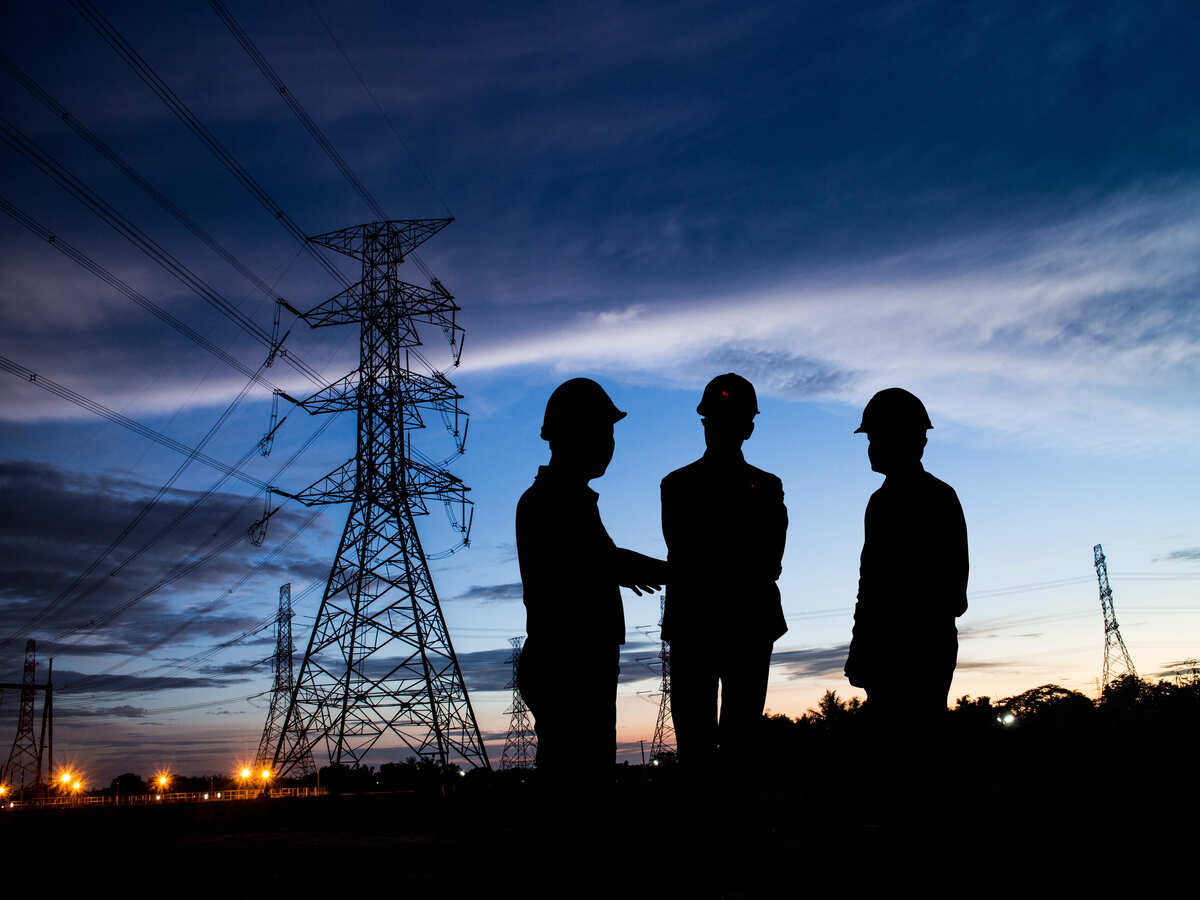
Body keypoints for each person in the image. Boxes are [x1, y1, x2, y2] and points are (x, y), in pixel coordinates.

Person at [515, 377, 669, 784]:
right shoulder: (552, 502)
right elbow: (596, 562)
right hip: (569, 659)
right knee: (578, 777)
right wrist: (670, 571)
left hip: (575, 656)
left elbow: (601, 562)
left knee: (582, 771)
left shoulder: (568, 499)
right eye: (602, 432)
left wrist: (633, 569)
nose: (609, 444)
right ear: (570, 434)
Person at [660, 373, 788, 771]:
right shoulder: (760, 488)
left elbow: (765, 562)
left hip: (707, 625)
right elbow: (765, 562)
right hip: (728, 625)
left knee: (725, 746)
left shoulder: (681, 485)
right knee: (716, 746)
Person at [845, 387, 969, 727]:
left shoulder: (929, 499)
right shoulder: (887, 501)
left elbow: (951, 590)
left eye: (876, 437)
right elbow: (870, 584)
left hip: (914, 648)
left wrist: (880, 642)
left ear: (905, 439)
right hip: (908, 646)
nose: (871, 448)